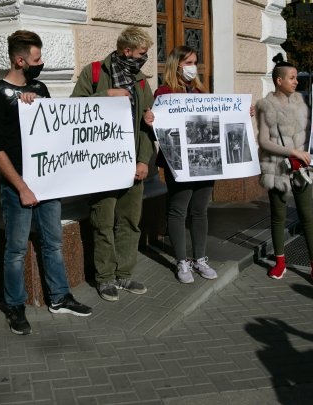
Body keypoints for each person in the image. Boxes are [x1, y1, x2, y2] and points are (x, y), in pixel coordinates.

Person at [0, 30, 92, 335]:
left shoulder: (40, 88)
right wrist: (21, 187)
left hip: (48, 182)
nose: (40, 63)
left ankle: (59, 297)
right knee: (16, 249)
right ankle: (15, 306)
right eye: (36, 58)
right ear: (20, 60)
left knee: (54, 242)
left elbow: (52, 130)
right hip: (18, 186)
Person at [70, 26, 155, 301]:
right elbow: (74, 110)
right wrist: (105, 96)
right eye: (142, 53)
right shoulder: (94, 73)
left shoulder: (141, 82)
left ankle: (125, 275)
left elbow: (146, 127)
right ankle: (105, 277)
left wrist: (144, 160)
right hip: (102, 165)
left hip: (133, 165)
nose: (144, 58)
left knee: (129, 221)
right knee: (103, 221)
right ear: (126, 51)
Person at [255, 54, 313, 287]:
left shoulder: (300, 103)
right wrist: (292, 152)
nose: (296, 81)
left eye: (296, 78)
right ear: (279, 80)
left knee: (307, 216)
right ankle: (280, 263)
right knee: (278, 217)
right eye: (292, 78)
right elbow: (264, 142)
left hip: (301, 170)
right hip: (276, 167)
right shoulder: (266, 107)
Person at [152, 46, 218, 284]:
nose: (193, 67)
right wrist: (150, 120)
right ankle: (181, 261)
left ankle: (200, 259)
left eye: (195, 62)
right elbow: (158, 127)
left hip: (204, 160)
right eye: (188, 62)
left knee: (200, 209)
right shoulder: (164, 93)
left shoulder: (201, 91)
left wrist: (241, 113)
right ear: (176, 65)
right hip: (178, 161)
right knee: (179, 209)